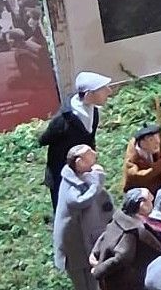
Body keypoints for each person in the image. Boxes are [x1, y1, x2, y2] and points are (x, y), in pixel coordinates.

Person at [52, 145, 115, 290]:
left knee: (96, 289)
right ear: (78, 163)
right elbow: (80, 202)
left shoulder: (82, 178)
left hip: (90, 243)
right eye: (90, 158)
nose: (95, 160)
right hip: (77, 250)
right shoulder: (71, 185)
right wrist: (97, 180)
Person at [37, 72, 114, 210]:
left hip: (83, 165)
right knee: (64, 205)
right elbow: (44, 139)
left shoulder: (93, 112)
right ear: (89, 95)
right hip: (61, 170)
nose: (109, 91)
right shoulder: (63, 121)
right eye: (103, 89)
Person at [122, 123, 161, 196]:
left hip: (157, 190)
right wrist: (158, 166)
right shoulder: (133, 157)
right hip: (140, 194)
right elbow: (136, 176)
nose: (157, 142)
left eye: (157, 138)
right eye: (151, 139)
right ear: (142, 143)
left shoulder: (155, 147)